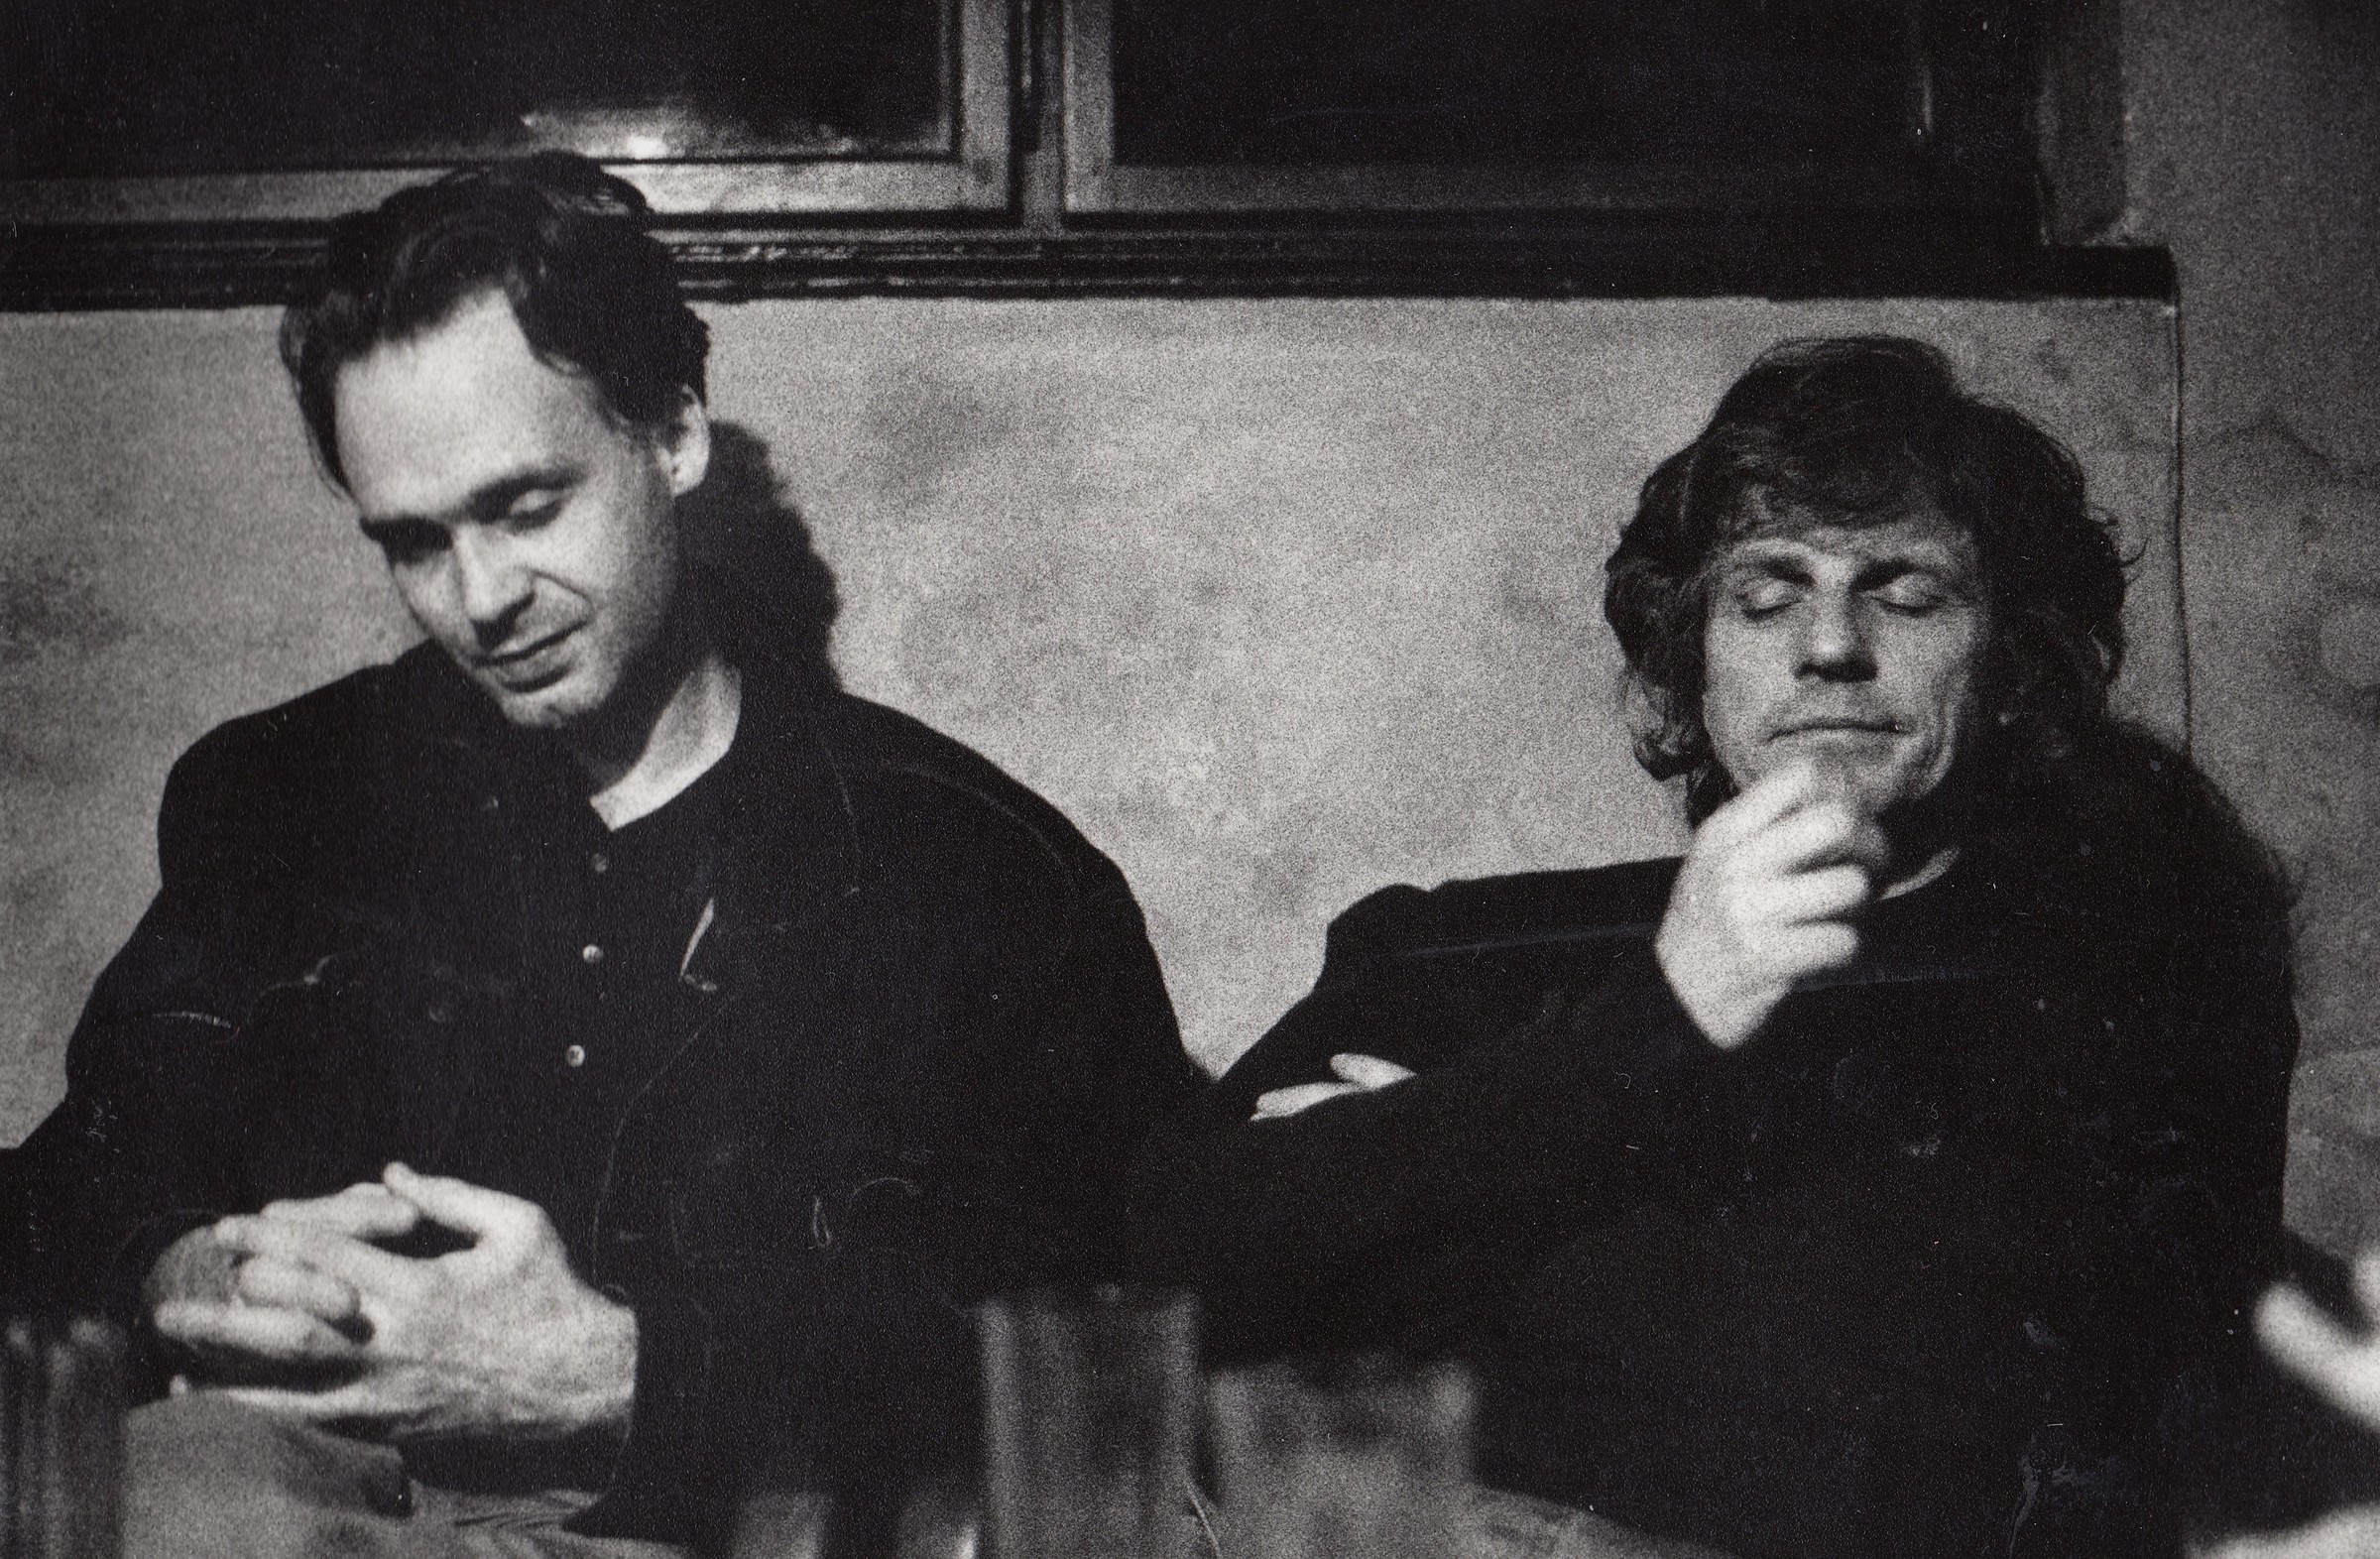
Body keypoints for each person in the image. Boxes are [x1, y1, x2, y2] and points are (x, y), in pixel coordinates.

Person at [8, 152, 1197, 1557]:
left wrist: (618, 1378)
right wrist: (182, 1271)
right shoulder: (284, 797)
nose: (481, 601)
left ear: (674, 435)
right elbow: (80, 1178)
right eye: (413, 543)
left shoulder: (978, 875)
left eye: (526, 507)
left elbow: (1096, 1359)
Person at [1130, 337, 2299, 1557]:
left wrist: (1435, 1208)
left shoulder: (2127, 970)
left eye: (1907, 595)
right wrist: (1660, 1015)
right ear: (1694, 663)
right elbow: (1154, 1287)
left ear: (2010, 665)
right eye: (1766, 597)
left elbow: (1989, 1445)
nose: (1831, 645)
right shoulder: (1458, 947)